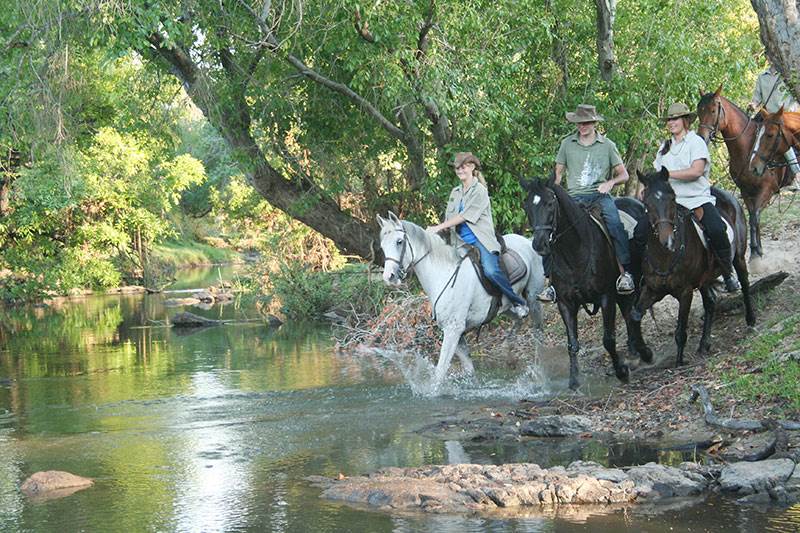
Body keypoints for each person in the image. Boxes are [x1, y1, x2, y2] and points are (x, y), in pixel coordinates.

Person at [536, 104, 635, 303]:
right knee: (550, 229)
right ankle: (551, 283)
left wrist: (610, 183)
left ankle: (626, 274)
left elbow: (624, 174)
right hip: (573, 197)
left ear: (594, 122)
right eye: (580, 123)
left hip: (599, 196)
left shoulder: (607, 145)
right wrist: (550, 192)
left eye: (587, 122)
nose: (583, 126)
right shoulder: (567, 144)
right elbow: (558, 173)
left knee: (615, 225)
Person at [427, 152, 529, 318]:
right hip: (459, 242)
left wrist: (438, 226)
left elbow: (463, 216)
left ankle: (516, 301)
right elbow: (449, 218)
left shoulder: (479, 190)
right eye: (457, 168)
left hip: (480, 241)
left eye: (464, 166)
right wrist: (434, 234)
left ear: (472, 167)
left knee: (490, 270)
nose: (460, 170)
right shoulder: (455, 192)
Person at [653, 102, 740, 292]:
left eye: (675, 119)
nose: (671, 122)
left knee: (717, 229)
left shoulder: (696, 142)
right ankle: (644, 275)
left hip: (696, 200)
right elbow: (656, 175)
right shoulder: (664, 147)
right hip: (671, 203)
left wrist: (669, 174)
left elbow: (696, 171)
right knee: (643, 229)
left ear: (685, 121)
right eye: (669, 119)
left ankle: (727, 273)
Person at [747, 64, 800, 191]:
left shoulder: (786, 74)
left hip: (786, 116)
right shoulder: (762, 77)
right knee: (756, 138)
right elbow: (757, 99)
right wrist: (752, 105)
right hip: (769, 118)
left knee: (785, 141)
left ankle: (796, 176)